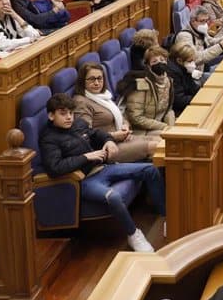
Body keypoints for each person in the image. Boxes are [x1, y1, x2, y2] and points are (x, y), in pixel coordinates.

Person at [39, 93, 163, 252]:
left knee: (150, 169)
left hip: (102, 168)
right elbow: (55, 168)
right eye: (63, 114)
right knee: (113, 197)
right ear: (51, 116)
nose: (69, 117)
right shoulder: (49, 138)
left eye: (71, 113)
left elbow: (96, 134)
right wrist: (86, 157)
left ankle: (165, 217)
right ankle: (134, 235)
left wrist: (108, 141)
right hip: (84, 180)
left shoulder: (77, 123)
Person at [72, 62, 156, 162]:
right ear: (82, 81)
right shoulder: (81, 102)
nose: (97, 83)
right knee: (156, 146)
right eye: (91, 79)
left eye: (99, 78)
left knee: (162, 140)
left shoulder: (104, 96)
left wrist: (125, 126)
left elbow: (120, 116)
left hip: (122, 139)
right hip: (106, 147)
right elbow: (86, 135)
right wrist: (114, 135)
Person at [119, 45, 176, 139]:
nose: (160, 63)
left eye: (162, 60)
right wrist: (165, 127)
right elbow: (136, 118)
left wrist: (171, 127)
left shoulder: (168, 81)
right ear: (148, 65)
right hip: (140, 130)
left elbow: (168, 110)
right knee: (169, 140)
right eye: (154, 61)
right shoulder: (141, 84)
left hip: (159, 125)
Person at [165, 41, 202, 114]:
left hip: (186, 102)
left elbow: (192, 87)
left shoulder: (183, 68)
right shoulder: (173, 73)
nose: (193, 64)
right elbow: (179, 100)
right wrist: (199, 98)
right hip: (178, 110)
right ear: (179, 60)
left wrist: (202, 92)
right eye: (190, 61)